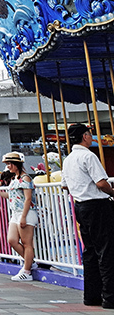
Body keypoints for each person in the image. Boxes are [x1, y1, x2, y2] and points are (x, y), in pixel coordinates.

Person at [61, 123, 114, 307]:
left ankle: (91, 296)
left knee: (90, 251)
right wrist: (112, 192)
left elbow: (65, 185)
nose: (91, 137)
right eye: (90, 134)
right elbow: (101, 183)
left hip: (80, 206)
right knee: (106, 251)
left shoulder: (68, 159)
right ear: (85, 136)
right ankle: (110, 296)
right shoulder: (88, 156)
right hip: (97, 205)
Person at [0, 152, 37, 281]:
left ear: (16, 164)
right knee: (12, 240)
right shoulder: (14, 179)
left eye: (9, 164)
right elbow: (11, 196)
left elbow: (28, 198)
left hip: (26, 212)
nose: (8, 167)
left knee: (26, 243)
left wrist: (24, 217)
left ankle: (27, 271)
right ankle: (30, 262)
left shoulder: (25, 178)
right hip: (15, 213)